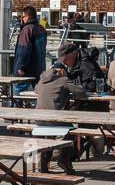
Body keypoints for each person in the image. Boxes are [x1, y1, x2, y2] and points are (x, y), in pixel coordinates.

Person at [34, 42, 86, 174]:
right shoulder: (63, 79)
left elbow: (36, 90)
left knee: (50, 132)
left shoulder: (42, 78)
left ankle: (44, 163)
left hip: (39, 118)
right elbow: (81, 92)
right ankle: (64, 159)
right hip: (53, 119)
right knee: (71, 130)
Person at [12, 5, 48, 87]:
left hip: (26, 72)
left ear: (27, 17)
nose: (22, 19)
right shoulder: (42, 29)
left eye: (23, 16)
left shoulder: (27, 30)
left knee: (19, 95)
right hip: (39, 69)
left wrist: (21, 67)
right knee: (36, 95)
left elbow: (23, 50)